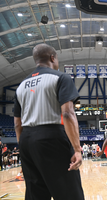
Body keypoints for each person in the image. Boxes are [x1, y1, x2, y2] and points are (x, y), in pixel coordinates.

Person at [14, 44, 84, 200]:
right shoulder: (61, 77)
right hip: (52, 138)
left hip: (26, 140)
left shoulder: (21, 86)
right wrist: (77, 150)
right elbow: (67, 113)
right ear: (53, 57)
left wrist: (24, 149)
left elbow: (17, 123)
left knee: (35, 195)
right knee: (69, 193)